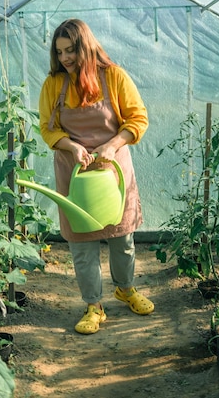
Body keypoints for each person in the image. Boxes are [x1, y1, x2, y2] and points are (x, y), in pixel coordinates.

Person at [38, 18, 154, 335]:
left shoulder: (113, 77)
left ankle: (125, 289)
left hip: (113, 171)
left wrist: (113, 144)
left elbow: (137, 119)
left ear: (85, 46)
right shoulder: (53, 85)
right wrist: (71, 147)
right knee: (81, 245)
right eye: (59, 52)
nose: (65, 58)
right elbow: (48, 128)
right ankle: (93, 305)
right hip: (74, 173)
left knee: (122, 239)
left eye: (71, 50)